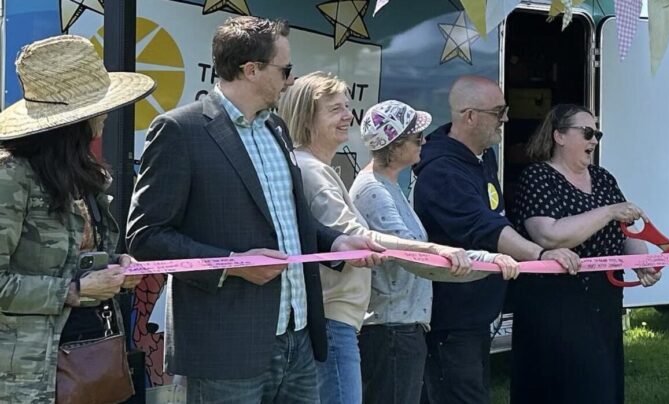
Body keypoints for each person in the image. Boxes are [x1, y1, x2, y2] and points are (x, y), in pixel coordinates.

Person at [125, 17, 383, 403]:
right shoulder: (180, 130)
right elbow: (146, 237)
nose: (291, 80)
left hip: (297, 340)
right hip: (226, 350)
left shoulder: (276, 128)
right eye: (286, 69)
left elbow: (292, 222)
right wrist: (230, 262)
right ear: (250, 70)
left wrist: (337, 242)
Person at [411, 75, 580, 404]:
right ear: (469, 116)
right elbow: (484, 225)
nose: (506, 118)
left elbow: (496, 216)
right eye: (498, 111)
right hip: (452, 317)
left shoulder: (480, 156)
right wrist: (541, 254)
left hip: (475, 311)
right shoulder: (442, 171)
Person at [0, 34, 148, 402]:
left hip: (94, 365)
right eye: (100, 105)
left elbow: (71, 258)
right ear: (74, 119)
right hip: (30, 380)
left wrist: (116, 267)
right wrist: (71, 291)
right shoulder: (11, 177)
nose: (106, 114)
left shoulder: (85, 175)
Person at [352, 99, 521, 404]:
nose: (425, 141)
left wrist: (486, 259)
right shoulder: (374, 191)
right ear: (395, 145)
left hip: (403, 328)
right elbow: (416, 259)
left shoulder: (389, 186)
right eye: (417, 137)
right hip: (390, 330)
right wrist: (487, 261)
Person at [508, 104, 662, 404]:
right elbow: (548, 235)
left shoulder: (604, 178)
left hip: (602, 301)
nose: (594, 141)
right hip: (553, 306)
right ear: (559, 137)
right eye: (588, 133)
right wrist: (606, 212)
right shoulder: (537, 177)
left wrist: (642, 261)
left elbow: (626, 229)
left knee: (601, 385)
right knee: (557, 387)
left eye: (597, 134)